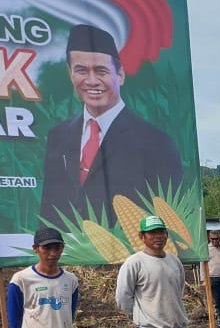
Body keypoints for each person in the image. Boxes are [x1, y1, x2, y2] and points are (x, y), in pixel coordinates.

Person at [40, 24, 183, 226]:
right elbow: (49, 209)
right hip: (69, 253)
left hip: (126, 252)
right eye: (81, 70)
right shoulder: (59, 136)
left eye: (101, 71)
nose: (92, 81)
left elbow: (168, 212)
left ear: (120, 75)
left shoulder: (155, 142)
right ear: (70, 74)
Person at [115, 215, 197, 328]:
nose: (158, 236)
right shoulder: (134, 263)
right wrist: (143, 318)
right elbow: (123, 298)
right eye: (152, 233)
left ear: (167, 235)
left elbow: (179, 290)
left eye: (161, 232)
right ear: (142, 236)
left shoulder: (174, 261)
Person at [6, 227, 80, 328]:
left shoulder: (71, 280)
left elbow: (70, 314)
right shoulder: (21, 280)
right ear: (35, 249)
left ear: (62, 248)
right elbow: (14, 315)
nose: (53, 253)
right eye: (47, 248)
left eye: (57, 248)